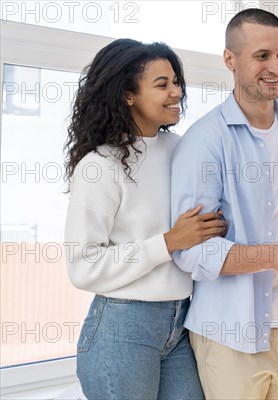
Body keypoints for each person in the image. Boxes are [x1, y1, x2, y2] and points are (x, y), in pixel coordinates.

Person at [170, 8, 278, 400]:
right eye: (262, 56)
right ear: (230, 60)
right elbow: (191, 252)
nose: (276, 67)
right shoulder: (205, 141)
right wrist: (275, 256)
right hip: (229, 339)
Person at [64, 38, 226, 399]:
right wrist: (169, 242)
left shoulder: (181, 149)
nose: (177, 92)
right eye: (162, 84)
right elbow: (82, 266)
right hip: (122, 328)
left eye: (176, 82)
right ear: (128, 95)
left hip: (180, 322)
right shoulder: (99, 166)